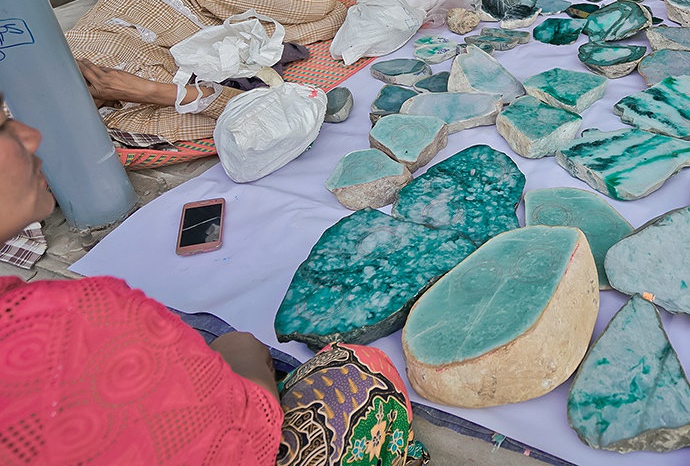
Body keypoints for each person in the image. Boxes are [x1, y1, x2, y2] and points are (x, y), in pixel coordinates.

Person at [0, 97, 427, 464]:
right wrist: (242, 354)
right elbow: (244, 430)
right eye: (2, 126)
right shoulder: (81, 316)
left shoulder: (28, 310)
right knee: (362, 369)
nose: (31, 136)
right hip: (241, 439)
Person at [68, 0, 349, 142]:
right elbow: (245, 114)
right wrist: (151, 91)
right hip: (213, 38)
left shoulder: (66, 52)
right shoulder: (124, 122)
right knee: (333, 19)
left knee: (318, 2)